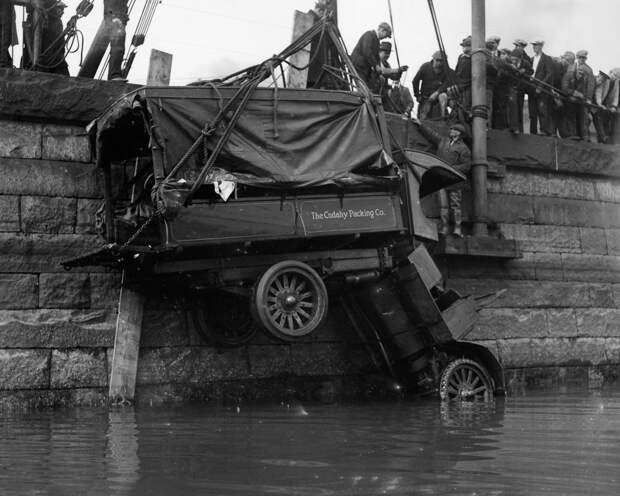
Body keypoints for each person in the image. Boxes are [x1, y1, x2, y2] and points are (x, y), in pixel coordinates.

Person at [415, 120, 471, 237]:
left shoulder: (464, 149)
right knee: (443, 205)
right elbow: (431, 135)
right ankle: (445, 227)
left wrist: (451, 168)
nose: (451, 131)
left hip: (454, 180)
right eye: (451, 129)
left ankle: (457, 228)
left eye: (454, 130)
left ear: (459, 133)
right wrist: (420, 125)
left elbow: (466, 166)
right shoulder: (443, 141)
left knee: (455, 205)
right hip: (441, 180)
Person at [351, 22, 406, 93]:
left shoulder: (377, 42)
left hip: (365, 69)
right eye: (386, 35)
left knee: (367, 90)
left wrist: (397, 71)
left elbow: (380, 66)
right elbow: (367, 51)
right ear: (382, 30)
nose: (385, 37)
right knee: (364, 91)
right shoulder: (369, 35)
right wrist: (376, 66)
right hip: (358, 66)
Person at [22, 0, 69, 75]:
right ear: (54, 8)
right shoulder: (49, 21)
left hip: (53, 58)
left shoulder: (55, 21)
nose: (62, 12)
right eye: (60, 9)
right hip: (48, 59)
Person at [562, 50, 595, 140]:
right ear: (577, 57)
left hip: (582, 98)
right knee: (571, 115)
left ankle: (585, 137)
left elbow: (590, 87)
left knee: (583, 116)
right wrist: (574, 93)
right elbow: (564, 86)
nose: (582, 59)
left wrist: (588, 98)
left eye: (584, 58)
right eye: (580, 57)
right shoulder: (570, 68)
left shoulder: (589, 70)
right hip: (570, 97)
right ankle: (574, 135)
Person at [412, 50, 454, 119]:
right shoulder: (425, 67)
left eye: (441, 61)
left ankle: (443, 117)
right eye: (437, 60)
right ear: (433, 59)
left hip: (438, 101)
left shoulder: (447, 71)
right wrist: (417, 95)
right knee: (422, 119)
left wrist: (437, 92)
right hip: (425, 99)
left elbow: (450, 81)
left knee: (441, 118)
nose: (439, 63)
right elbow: (415, 81)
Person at [528, 40, 555, 135]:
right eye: (533, 45)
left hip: (542, 89)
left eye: (535, 45)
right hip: (531, 87)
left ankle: (544, 131)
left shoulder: (547, 59)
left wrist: (541, 86)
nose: (534, 47)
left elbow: (549, 74)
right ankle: (533, 132)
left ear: (541, 46)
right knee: (532, 112)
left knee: (542, 110)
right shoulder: (531, 59)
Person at [506, 48, 533, 134]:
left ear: (520, 58)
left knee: (520, 108)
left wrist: (525, 71)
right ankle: (513, 127)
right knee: (513, 106)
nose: (513, 60)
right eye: (512, 58)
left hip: (520, 89)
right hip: (511, 87)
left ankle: (520, 129)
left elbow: (531, 71)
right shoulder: (508, 62)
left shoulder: (525, 63)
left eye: (515, 59)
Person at [105, 0, 129, 80]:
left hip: (118, 18)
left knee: (119, 47)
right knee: (118, 47)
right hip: (116, 18)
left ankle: (114, 75)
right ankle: (114, 75)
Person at [0, 1, 17, 68]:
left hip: (5, 15)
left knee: (4, 40)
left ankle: (3, 62)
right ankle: (3, 61)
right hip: (5, 15)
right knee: (4, 40)